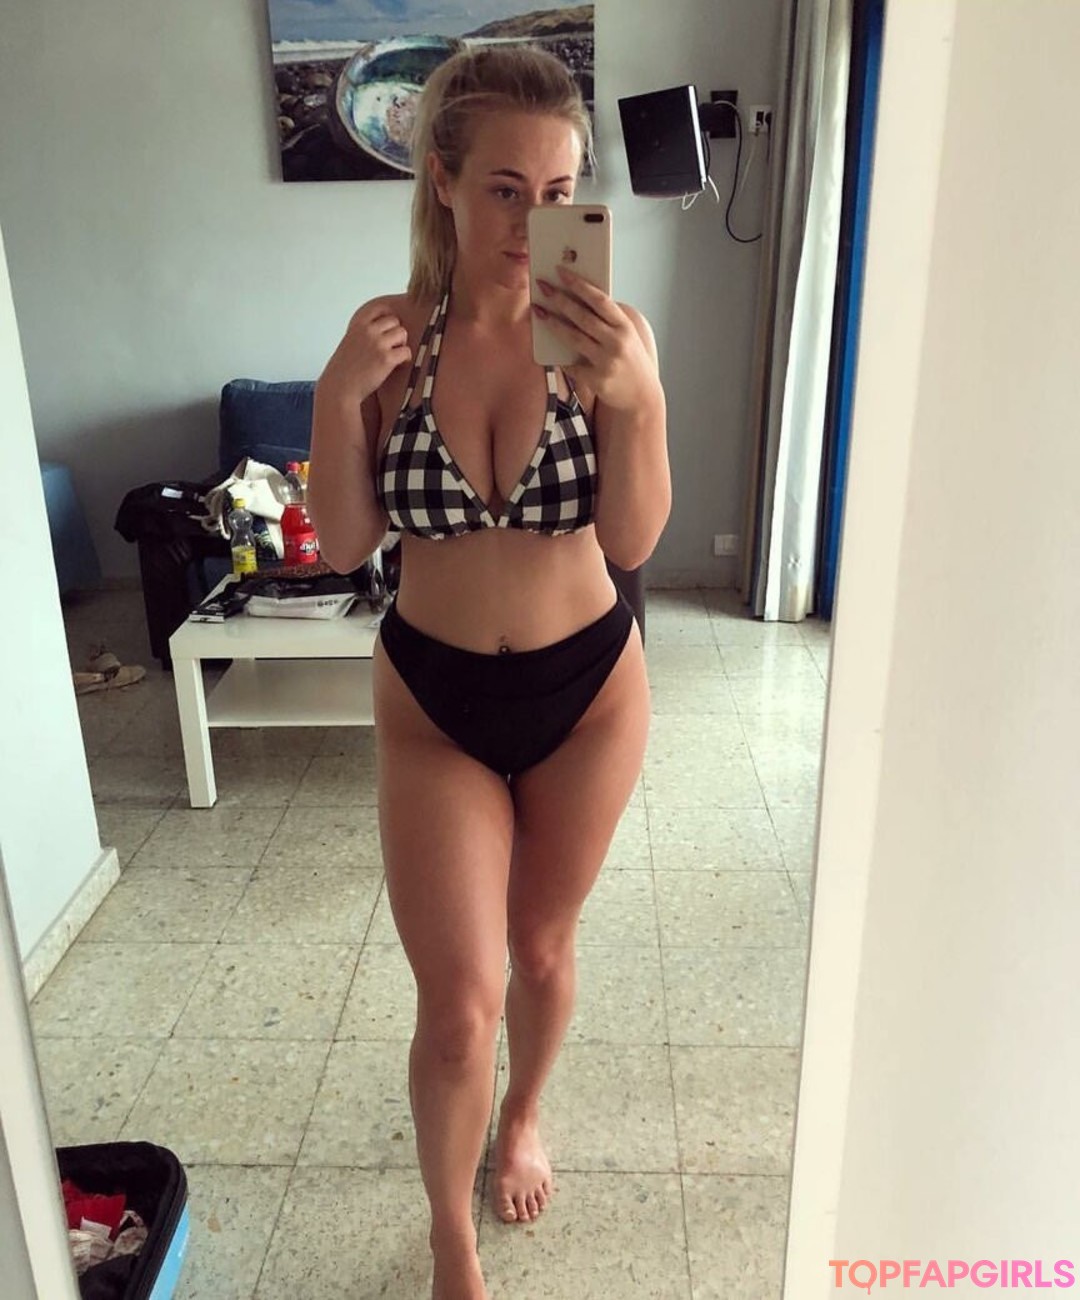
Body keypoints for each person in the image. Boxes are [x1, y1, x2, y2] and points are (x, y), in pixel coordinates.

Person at [307, 44, 671, 1300]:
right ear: (447, 182)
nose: (532, 220)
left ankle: (524, 1117)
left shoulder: (608, 340)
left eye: (558, 191)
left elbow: (633, 541)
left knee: (543, 947)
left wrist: (638, 402)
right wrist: (333, 400)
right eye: (506, 189)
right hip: (436, 708)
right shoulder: (390, 343)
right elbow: (345, 544)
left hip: (588, 696)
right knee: (460, 1002)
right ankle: (447, 1237)